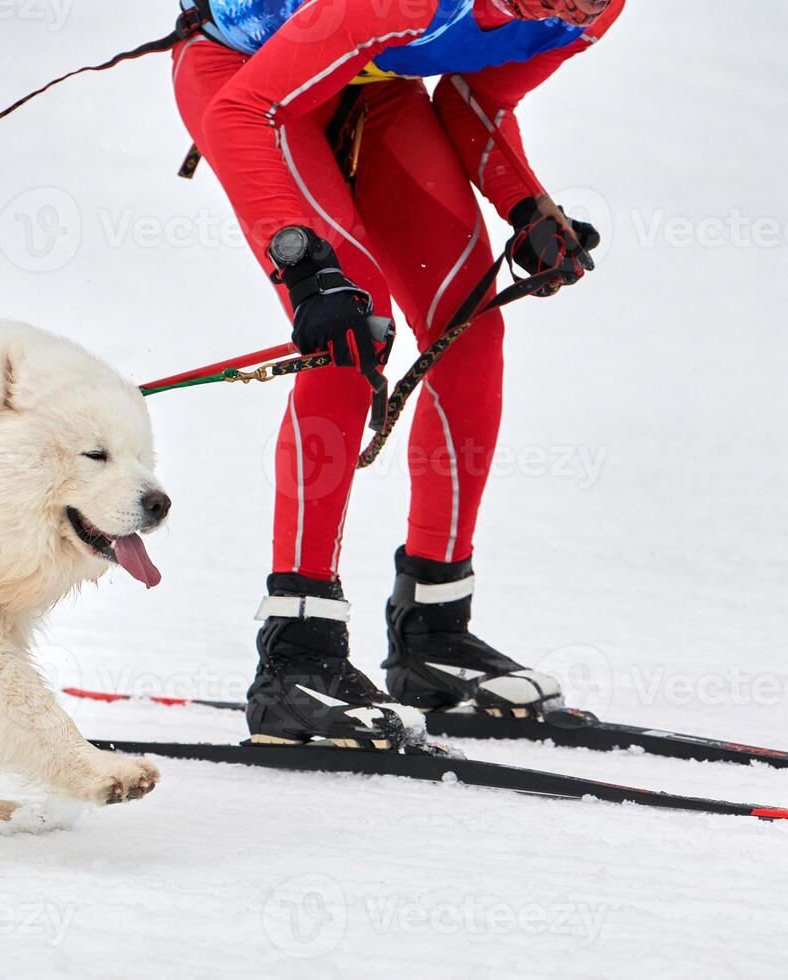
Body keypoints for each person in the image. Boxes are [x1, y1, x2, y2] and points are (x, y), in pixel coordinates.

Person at [168, 0, 624, 749]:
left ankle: (433, 636)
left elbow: (478, 97)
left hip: (372, 84)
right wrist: (306, 268)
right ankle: (296, 653)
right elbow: (244, 111)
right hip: (245, 83)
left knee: (468, 327)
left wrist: (525, 206)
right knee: (353, 328)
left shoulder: (592, 10)